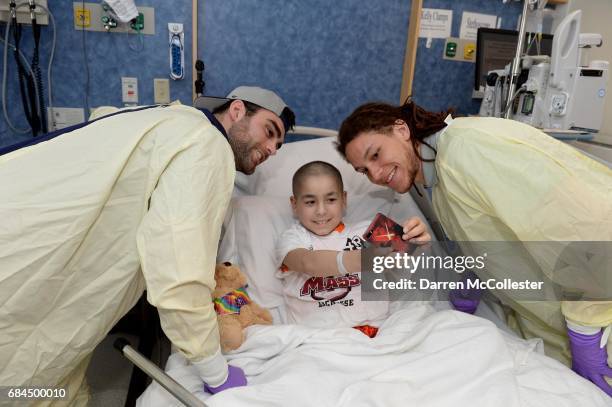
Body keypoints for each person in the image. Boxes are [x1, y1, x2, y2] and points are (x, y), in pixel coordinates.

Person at [0, 86, 295, 405]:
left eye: (278, 145)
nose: (272, 149)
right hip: (21, 265)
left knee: (47, 389)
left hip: (34, 253)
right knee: (20, 380)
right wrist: (216, 374)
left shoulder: (166, 118)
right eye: (269, 132)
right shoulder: (207, 146)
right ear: (237, 111)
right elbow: (179, 275)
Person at [334, 100, 612, 396]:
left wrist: (586, 333)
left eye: (375, 155)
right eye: (364, 170)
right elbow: (497, 225)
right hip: (552, 326)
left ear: (401, 129)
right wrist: (473, 270)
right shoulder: (440, 180)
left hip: (598, 315)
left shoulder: (468, 149)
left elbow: (582, 225)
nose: (376, 175)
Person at [275, 160, 430, 336]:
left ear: (344, 200)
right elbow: (307, 262)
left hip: (379, 331)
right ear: (294, 204)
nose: (321, 211)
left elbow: (408, 256)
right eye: (310, 202)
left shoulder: (368, 230)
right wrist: (362, 259)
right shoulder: (293, 238)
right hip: (319, 337)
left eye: (331, 200)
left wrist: (415, 239)